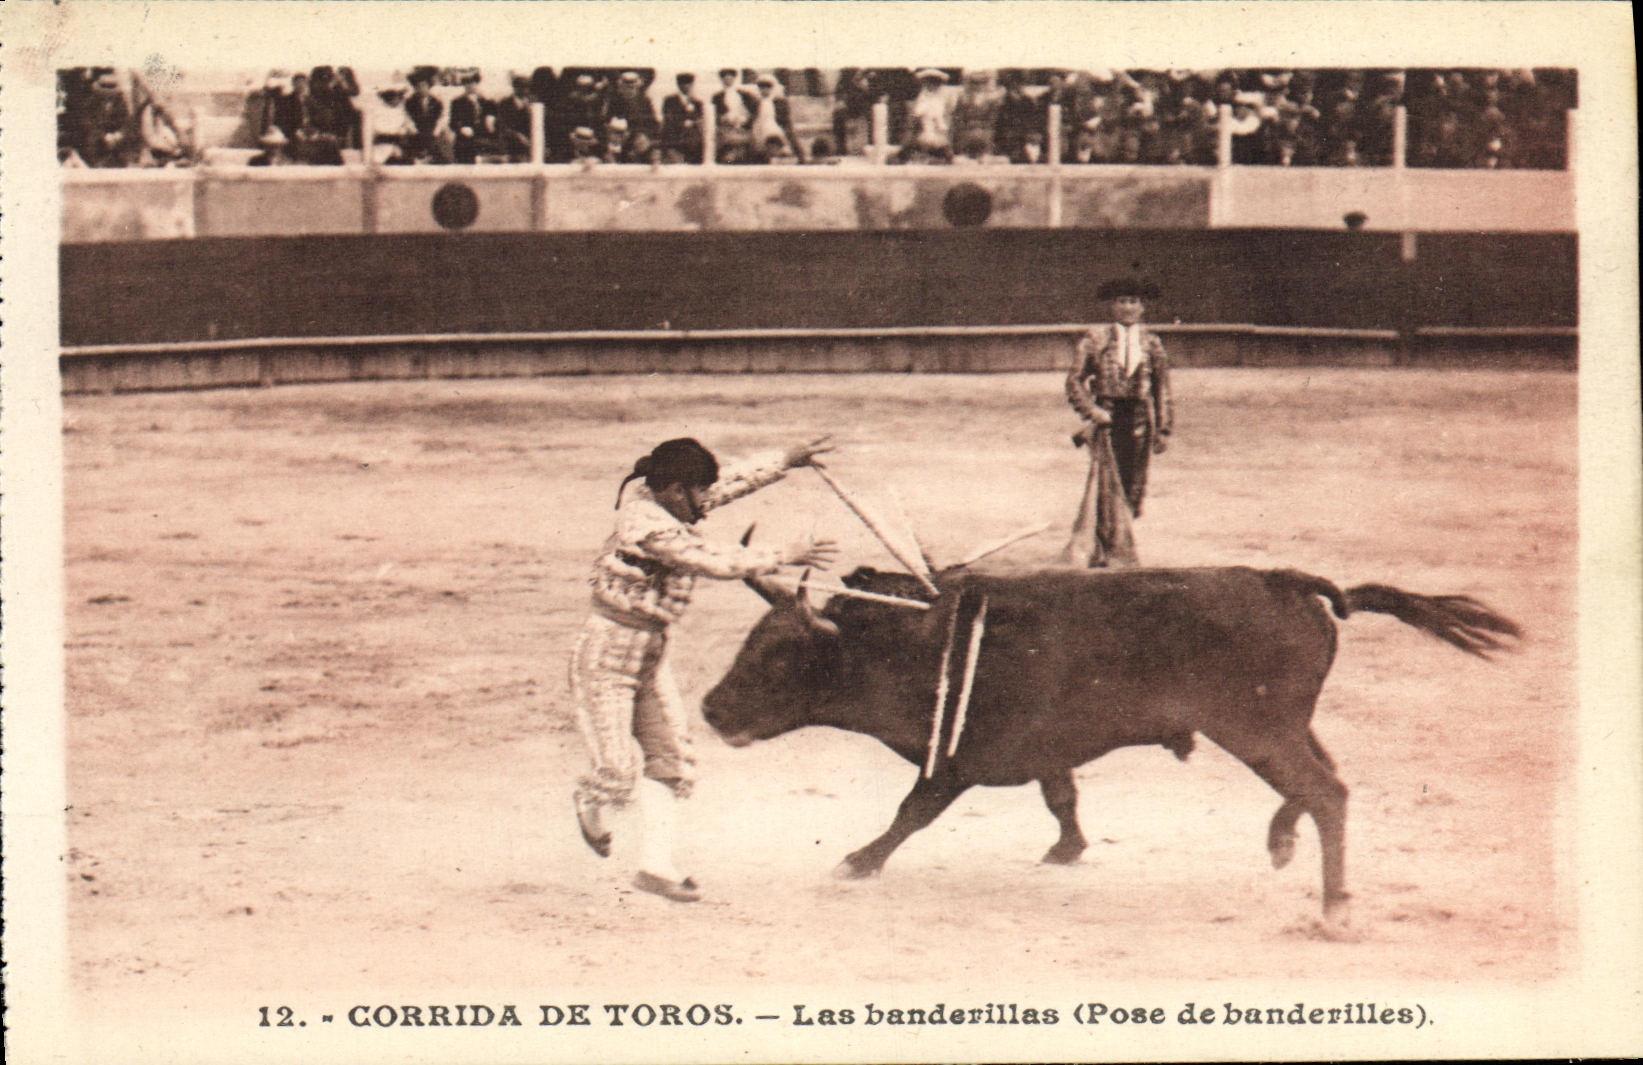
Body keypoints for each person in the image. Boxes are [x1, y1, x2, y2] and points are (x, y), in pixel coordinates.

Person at [570, 436, 839, 903]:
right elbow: (712, 561)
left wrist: (782, 459)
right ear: (676, 491)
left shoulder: (659, 496)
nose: (706, 503)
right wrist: (784, 553)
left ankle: (656, 869)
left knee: (673, 763)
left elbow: (725, 485)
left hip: (650, 655)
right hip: (605, 659)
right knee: (615, 775)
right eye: (697, 494)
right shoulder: (649, 529)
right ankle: (589, 803)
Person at [1062, 278, 1173, 563]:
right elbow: (1074, 381)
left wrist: (1163, 428)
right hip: (1108, 418)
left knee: (1134, 483)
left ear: (1142, 307)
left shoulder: (1151, 342)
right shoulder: (1095, 338)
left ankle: (1120, 543)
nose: (1127, 307)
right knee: (1106, 484)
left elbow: (1162, 387)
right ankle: (1105, 547)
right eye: (1122, 301)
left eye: (1133, 302)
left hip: (1139, 419)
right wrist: (1092, 412)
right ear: (1112, 306)